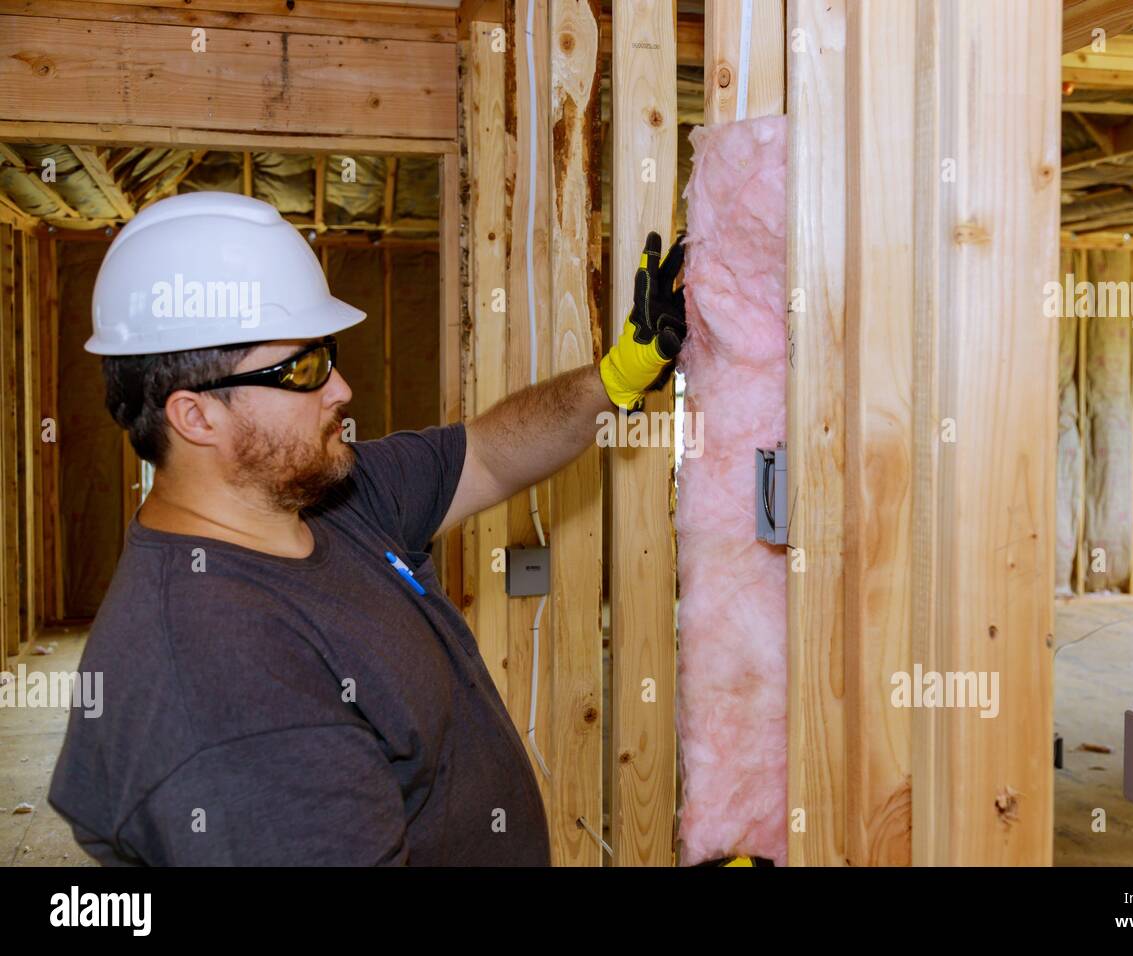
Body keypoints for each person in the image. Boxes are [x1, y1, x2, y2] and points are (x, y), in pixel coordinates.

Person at [47, 191, 687, 865]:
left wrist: (618, 375)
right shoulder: (222, 681)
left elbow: (494, 452)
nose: (341, 388)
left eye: (328, 353)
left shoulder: (328, 498)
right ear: (196, 417)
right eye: (304, 368)